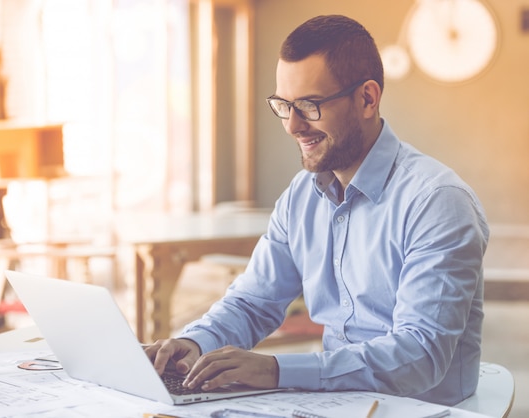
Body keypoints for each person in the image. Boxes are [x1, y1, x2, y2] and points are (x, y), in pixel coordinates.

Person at [145, 14, 489, 406]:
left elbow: (421, 355)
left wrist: (275, 370)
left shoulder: (436, 201)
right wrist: (194, 342)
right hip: (330, 403)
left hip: (420, 409)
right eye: (284, 105)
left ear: (367, 98)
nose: (292, 126)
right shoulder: (301, 196)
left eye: (309, 105)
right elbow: (253, 301)